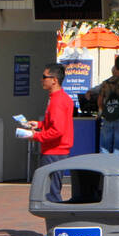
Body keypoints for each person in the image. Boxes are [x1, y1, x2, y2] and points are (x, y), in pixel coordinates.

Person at [20, 64, 75, 213]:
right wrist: (39, 125)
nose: (42, 80)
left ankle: (55, 230)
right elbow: (54, 124)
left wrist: (35, 135)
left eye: (45, 77)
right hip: (57, 151)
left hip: (54, 152)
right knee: (51, 190)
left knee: (51, 193)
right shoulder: (60, 98)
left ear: (54, 80)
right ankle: (54, 230)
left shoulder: (57, 101)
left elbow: (57, 130)